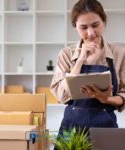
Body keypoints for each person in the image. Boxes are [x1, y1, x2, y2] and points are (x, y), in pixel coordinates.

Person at [50, 0, 125, 143]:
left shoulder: (119, 54)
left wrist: (106, 99)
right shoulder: (66, 54)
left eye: (95, 25)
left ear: (104, 21)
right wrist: (79, 61)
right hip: (71, 129)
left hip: (106, 129)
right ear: (76, 27)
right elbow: (61, 95)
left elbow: (124, 93)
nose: (90, 33)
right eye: (83, 27)